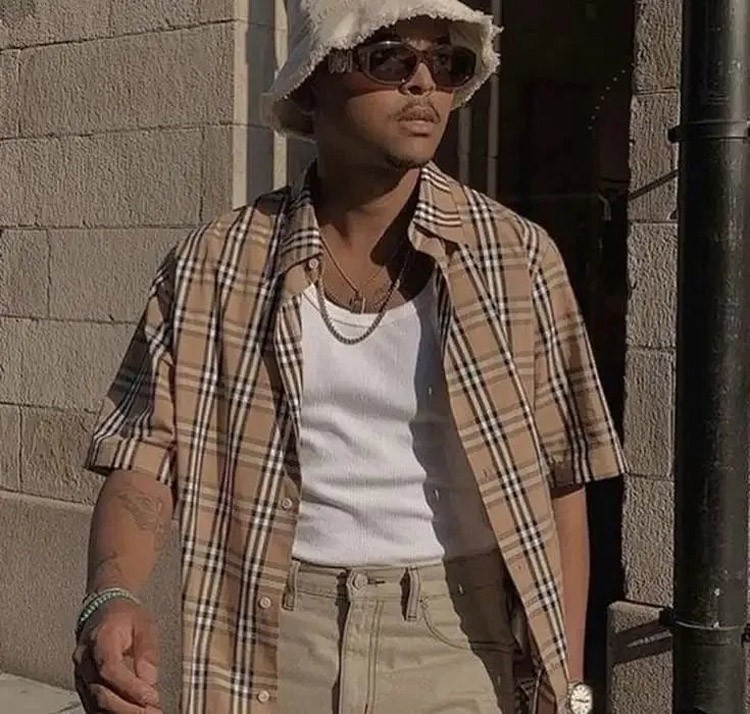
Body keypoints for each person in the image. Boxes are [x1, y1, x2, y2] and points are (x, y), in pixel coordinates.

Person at [72, 1, 626, 712]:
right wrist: (110, 595)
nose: (424, 82)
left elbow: (562, 479)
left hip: (457, 633)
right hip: (272, 633)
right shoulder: (214, 264)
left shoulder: (516, 258)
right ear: (313, 82)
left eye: (447, 62)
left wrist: (567, 687)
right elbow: (144, 458)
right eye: (388, 57)